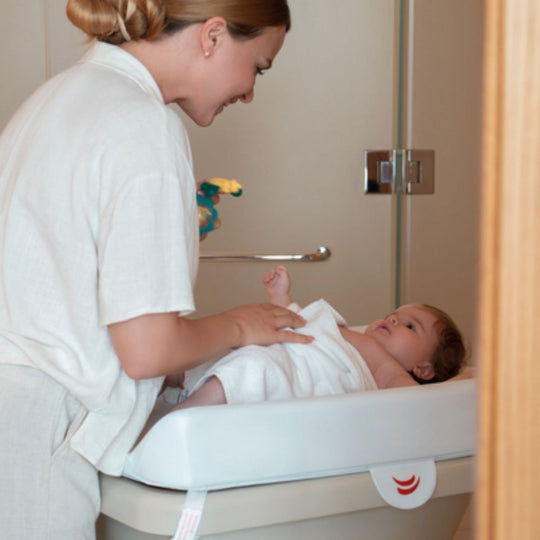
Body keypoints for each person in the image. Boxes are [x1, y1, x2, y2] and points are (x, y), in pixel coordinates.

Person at [0, 2, 309, 538]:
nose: (250, 92)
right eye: (258, 66)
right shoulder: (144, 125)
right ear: (213, 36)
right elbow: (148, 351)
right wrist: (241, 326)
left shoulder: (56, 97)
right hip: (34, 438)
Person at [172, 266, 468, 410]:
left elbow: (413, 400)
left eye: (410, 326)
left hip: (289, 372)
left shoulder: (386, 369)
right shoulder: (349, 333)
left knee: (249, 370)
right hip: (282, 352)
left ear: (423, 368)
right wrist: (281, 298)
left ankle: (173, 422)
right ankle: (168, 382)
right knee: (207, 356)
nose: (392, 319)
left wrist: (459, 384)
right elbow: (298, 326)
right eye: (394, 313)